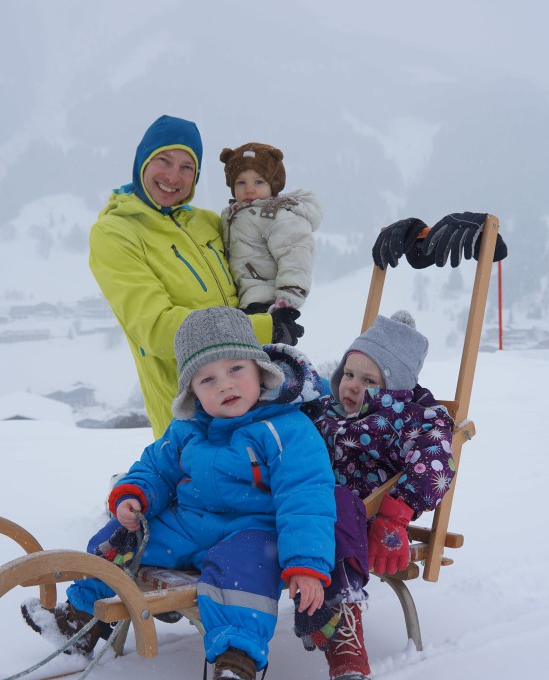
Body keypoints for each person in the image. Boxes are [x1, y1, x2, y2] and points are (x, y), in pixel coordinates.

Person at [22, 307, 335, 680]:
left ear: (261, 370)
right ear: (192, 392)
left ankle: (237, 658)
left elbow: (306, 497)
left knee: (242, 573)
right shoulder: (187, 428)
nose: (224, 385)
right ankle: (81, 618)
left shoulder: (287, 428)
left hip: (253, 531)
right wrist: (134, 495)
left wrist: (306, 564)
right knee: (120, 539)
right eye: (206, 379)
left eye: (236, 369)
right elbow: (156, 467)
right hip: (187, 527)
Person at [88, 115, 304, 438]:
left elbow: (265, 251)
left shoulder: (207, 222)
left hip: (252, 394)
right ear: (143, 160)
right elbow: (160, 330)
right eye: (164, 160)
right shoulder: (115, 233)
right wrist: (264, 327)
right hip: (193, 417)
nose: (173, 176)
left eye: (187, 167)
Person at [297, 310, 456, 680]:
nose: (352, 386)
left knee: (337, 506)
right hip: (308, 509)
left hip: (360, 517)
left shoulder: (412, 418)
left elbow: (434, 462)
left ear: (394, 387)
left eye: (369, 380)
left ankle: (344, 638)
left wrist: (395, 515)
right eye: (348, 374)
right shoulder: (324, 410)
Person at [218, 142, 322, 314]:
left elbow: (295, 252)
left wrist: (288, 298)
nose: (249, 189)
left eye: (259, 182)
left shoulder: (276, 215)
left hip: (266, 300)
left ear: (273, 184)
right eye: (241, 182)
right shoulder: (231, 215)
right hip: (242, 298)